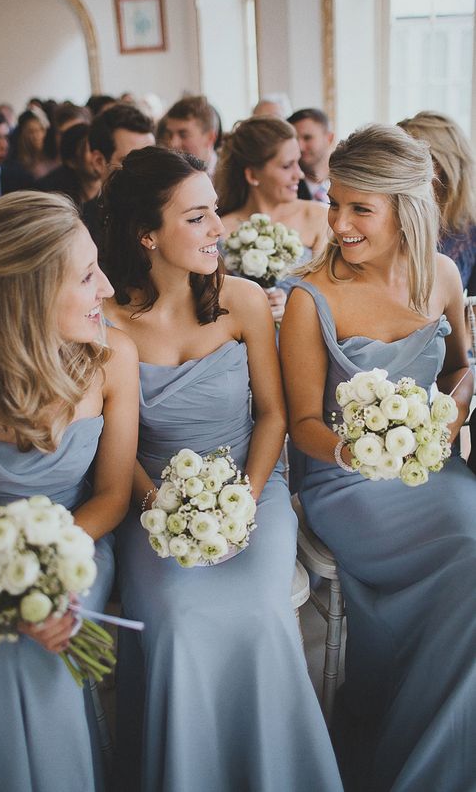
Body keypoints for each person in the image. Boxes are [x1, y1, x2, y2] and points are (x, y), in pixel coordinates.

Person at [100, 146, 342, 792]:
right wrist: (162, 508)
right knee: (178, 613)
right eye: (197, 218)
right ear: (146, 234)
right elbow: (113, 450)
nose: (218, 231)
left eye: (215, 215)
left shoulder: (242, 301)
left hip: (253, 490)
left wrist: (245, 498)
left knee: (262, 611)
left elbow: (272, 416)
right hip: (150, 503)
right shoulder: (107, 322)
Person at [0, 190, 139, 791]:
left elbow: (112, 496)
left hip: (76, 544)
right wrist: (12, 593)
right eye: (88, 275)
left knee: (43, 642)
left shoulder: (114, 358)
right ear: (31, 291)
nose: (108, 289)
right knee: (1, 646)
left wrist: (49, 568)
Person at [279, 124, 476, 792]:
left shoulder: (442, 276)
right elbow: (302, 421)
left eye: (360, 208)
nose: (339, 223)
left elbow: (460, 370)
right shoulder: (312, 296)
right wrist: (353, 449)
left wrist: (451, 411)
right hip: (347, 481)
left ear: (406, 207)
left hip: (430, 470)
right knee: (469, 565)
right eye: (335, 203)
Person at [214, 116, 328, 323]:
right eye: (287, 166)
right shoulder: (220, 231)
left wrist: (295, 306)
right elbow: (214, 303)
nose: (299, 174)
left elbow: (331, 295)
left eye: (298, 162)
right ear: (252, 176)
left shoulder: (318, 216)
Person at [398, 110, 476, 294]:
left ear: (439, 164)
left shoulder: (471, 232)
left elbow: (470, 313)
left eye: (404, 159)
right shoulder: (390, 214)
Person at [82, 103, 155, 247]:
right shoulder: (81, 228)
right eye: (131, 161)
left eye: (152, 158)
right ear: (98, 162)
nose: (147, 170)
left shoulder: (169, 213)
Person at [39, 123, 100, 209]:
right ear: (71, 162)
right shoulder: (54, 200)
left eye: (100, 147)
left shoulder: (114, 193)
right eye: (90, 149)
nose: (98, 156)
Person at [288, 108, 334, 204]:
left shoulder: (349, 182)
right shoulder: (287, 189)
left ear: (329, 138)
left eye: (307, 138)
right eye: (295, 139)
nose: (300, 147)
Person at [165, 95, 220, 176]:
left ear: (210, 138)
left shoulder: (228, 182)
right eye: (170, 134)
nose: (173, 144)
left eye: (183, 135)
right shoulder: (166, 175)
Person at [13, 108, 58, 180]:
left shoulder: (56, 156)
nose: (37, 135)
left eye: (41, 130)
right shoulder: (19, 165)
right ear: (23, 135)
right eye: (31, 131)